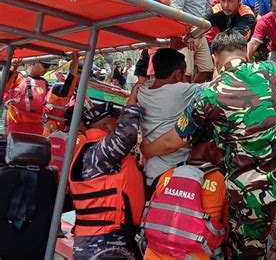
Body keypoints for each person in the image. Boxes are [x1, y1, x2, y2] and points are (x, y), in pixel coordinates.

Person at [141, 30, 276, 258]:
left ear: (215, 58)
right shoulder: (273, 72)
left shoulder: (207, 96)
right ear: (246, 53)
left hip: (249, 196)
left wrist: (146, 149)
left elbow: (172, 141)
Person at [69, 85, 145, 259]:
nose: (118, 123)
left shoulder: (91, 151)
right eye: (115, 120)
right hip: (102, 243)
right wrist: (132, 100)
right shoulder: (97, 152)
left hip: (101, 240)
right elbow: (127, 134)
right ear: (104, 124)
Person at [143, 130, 228, 260]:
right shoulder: (222, 182)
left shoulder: (166, 176)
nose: (222, 157)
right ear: (211, 145)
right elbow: (227, 233)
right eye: (222, 150)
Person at [137, 48, 200, 193]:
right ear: (178, 74)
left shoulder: (143, 90)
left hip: (150, 171)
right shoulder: (181, 91)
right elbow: (217, 87)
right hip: (171, 175)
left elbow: (144, 84)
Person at [172, 0, 214, 83]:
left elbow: (208, 10)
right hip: (186, 34)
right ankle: (185, 98)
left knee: (207, 68)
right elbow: (175, 11)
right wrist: (185, 34)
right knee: (186, 71)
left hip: (200, 34)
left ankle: (191, 93)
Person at [4, 59, 55, 134]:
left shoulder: (44, 82)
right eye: (45, 66)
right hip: (17, 124)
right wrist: (13, 68)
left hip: (37, 126)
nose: (46, 69)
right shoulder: (18, 77)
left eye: (48, 66)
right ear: (34, 62)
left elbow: (46, 102)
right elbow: (4, 86)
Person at [43, 53, 80, 136]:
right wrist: (75, 63)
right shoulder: (57, 88)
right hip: (51, 130)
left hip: (64, 131)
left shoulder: (78, 92)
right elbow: (67, 88)